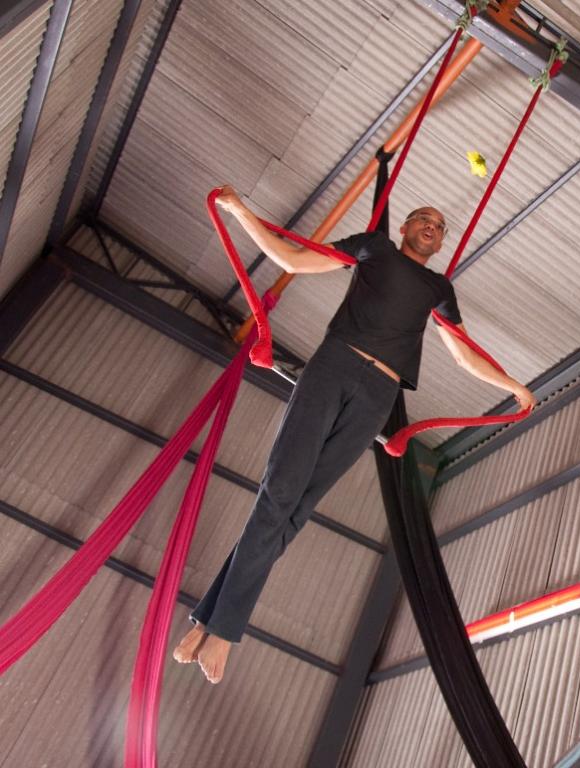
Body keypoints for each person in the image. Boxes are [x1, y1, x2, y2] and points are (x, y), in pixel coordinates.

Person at [172, 185, 536, 684]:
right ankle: (222, 630)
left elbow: (463, 354)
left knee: (296, 511)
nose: (433, 227)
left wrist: (513, 386)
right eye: (424, 218)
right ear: (404, 227)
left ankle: (208, 622)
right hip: (334, 367)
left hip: (378, 396)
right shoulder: (374, 248)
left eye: (440, 227)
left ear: (439, 243)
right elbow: (292, 259)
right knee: (280, 494)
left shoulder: (438, 289)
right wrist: (239, 210)